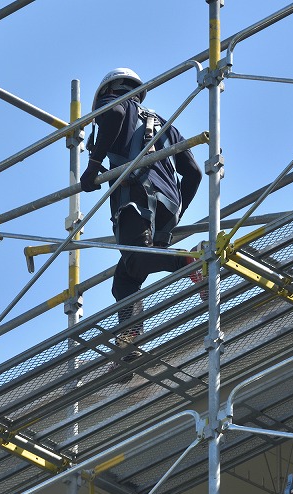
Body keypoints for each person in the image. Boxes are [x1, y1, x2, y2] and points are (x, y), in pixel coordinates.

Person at [79, 68, 203, 350]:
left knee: (135, 260)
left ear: (108, 91)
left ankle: (188, 261)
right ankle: (130, 339)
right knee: (125, 278)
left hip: (136, 198)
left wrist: (94, 165)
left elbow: (114, 114)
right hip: (169, 204)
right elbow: (194, 173)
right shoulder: (165, 124)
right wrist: (175, 215)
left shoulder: (112, 103)